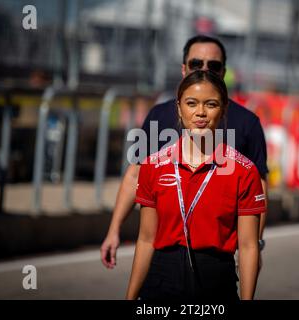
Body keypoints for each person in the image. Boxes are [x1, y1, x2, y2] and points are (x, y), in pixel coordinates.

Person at [101, 35, 268, 270]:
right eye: (196, 64)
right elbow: (134, 175)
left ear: (224, 71)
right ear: (183, 69)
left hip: (216, 255)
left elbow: (259, 186)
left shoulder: (247, 123)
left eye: (214, 65)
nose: (205, 69)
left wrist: (254, 243)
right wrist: (114, 230)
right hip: (163, 250)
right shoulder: (159, 115)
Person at [126, 70, 265, 301]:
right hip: (161, 279)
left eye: (211, 104)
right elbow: (146, 239)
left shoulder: (245, 170)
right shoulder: (153, 165)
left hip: (216, 279)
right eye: (191, 103)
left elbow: (249, 246)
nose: (200, 112)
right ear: (179, 108)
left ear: (223, 109)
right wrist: (130, 297)